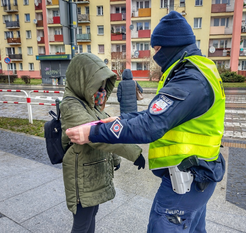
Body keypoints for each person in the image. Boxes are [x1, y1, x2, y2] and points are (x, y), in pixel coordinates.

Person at [65, 11, 226, 233]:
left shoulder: (189, 78)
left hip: (187, 179)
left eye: (157, 49)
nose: (155, 55)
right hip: (199, 173)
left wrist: (91, 133)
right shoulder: (197, 70)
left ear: (172, 45)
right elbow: (153, 116)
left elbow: (151, 125)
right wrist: (121, 118)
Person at [60, 53, 145, 233]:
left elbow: (108, 127)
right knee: (82, 223)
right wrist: (134, 153)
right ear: (83, 81)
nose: (101, 91)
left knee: (92, 215)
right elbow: (99, 136)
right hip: (82, 176)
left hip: (93, 171)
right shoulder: (71, 106)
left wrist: (115, 159)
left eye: (102, 85)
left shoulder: (91, 104)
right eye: (97, 85)